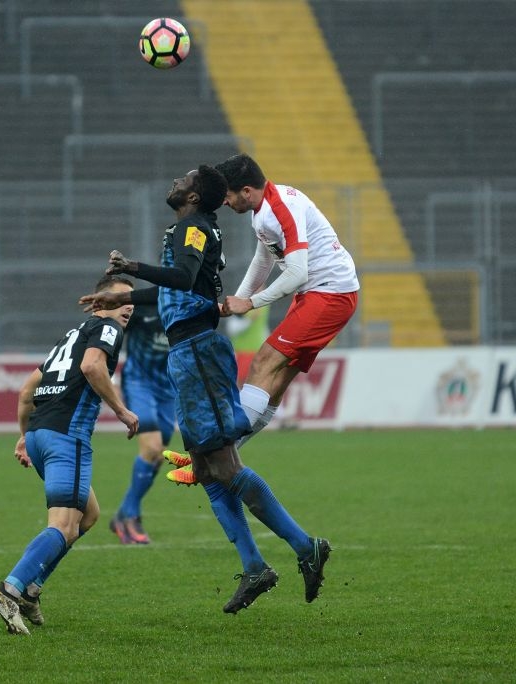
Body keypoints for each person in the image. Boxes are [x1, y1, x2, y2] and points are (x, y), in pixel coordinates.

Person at [79, 165, 330, 613]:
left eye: (185, 179)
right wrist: (125, 297)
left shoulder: (193, 228)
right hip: (185, 352)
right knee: (206, 470)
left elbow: (181, 277)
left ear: (194, 197)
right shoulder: (187, 227)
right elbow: (178, 288)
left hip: (197, 350)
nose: (176, 181)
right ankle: (255, 567)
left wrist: (131, 268)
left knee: (224, 466)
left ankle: (304, 546)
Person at [165, 153, 358, 481]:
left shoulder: (278, 209)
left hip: (329, 293)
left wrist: (250, 303)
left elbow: (297, 272)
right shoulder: (264, 210)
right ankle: (213, 460)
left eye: (228, 195)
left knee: (262, 363)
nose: (224, 202)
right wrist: (238, 298)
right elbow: (264, 262)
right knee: (276, 383)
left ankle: (212, 457)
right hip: (323, 293)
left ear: (247, 191)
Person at [0, 275, 139, 635]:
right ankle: (11, 589)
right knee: (64, 526)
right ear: (100, 303)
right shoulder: (106, 329)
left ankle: (33, 589)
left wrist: (25, 438)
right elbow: (91, 367)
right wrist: (121, 410)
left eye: (130, 299)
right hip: (66, 438)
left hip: (40, 435)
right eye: (119, 299)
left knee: (89, 515)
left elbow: (27, 391)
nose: (128, 305)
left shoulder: (71, 336)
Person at [108, 300, 176, 545]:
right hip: (139, 383)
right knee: (152, 448)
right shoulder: (142, 308)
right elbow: (111, 339)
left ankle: (123, 513)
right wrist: (110, 377)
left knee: (157, 455)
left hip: (168, 388)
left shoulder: (186, 306)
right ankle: (131, 515)